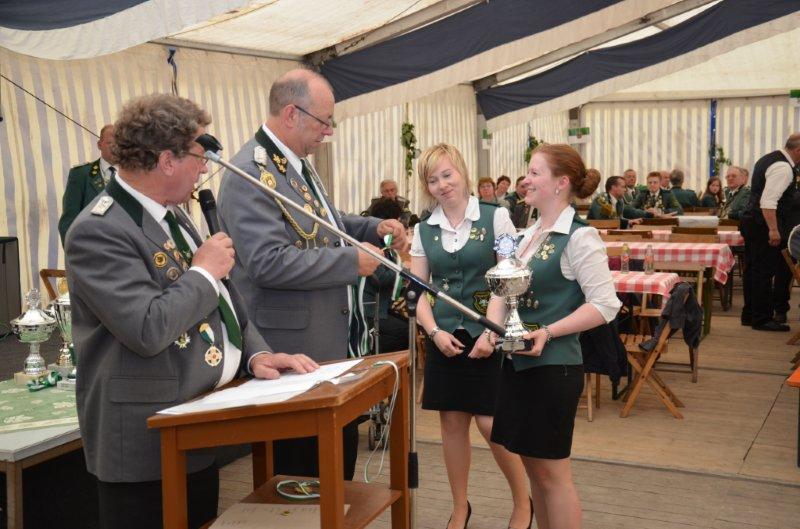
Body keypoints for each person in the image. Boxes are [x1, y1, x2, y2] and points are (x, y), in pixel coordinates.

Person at [65, 94, 319, 529]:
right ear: (167, 160)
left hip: (194, 426)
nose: (205, 169)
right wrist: (202, 272)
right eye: (200, 157)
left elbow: (224, 298)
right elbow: (147, 327)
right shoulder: (97, 229)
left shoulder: (173, 215)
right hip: (143, 443)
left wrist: (256, 354)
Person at [216, 68, 407, 480]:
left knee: (337, 475)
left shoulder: (295, 163)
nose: (329, 131)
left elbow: (327, 222)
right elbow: (267, 262)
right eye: (324, 121)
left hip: (326, 351)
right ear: (291, 114)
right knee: (302, 481)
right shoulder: (250, 174)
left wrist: (373, 227)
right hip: (292, 354)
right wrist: (350, 262)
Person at [487, 144, 620, 529]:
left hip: (554, 369)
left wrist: (547, 332)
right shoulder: (527, 235)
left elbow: (605, 305)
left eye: (534, 173)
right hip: (518, 366)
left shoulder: (579, 237)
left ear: (561, 183)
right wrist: (493, 329)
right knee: (535, 474)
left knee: (553, 477)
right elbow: (503, 292)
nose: (525, 180)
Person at [411, 144, 531, 529]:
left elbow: (507, 277)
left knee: (491, 424)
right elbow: (418, 291)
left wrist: (491, 333)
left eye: (447, 175)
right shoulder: (423, 229)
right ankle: (460, 506)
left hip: (488, 334)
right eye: (433, 180)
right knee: (451, 425)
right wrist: (433, 332)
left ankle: (523, 501)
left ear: (462, 172)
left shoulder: (497, 217)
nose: (442, 185)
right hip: (445, 337)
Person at [740, 133, 800, 331]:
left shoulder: (768, 158)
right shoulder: (783, 167)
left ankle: (750, 314)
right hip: (763, 224)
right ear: (798, 150)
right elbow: (768, 202)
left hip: (752, 220)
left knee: (752, 270)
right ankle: (762, 318)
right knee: (763, 272)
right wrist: (773, 230)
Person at [361, 197, 409, 353]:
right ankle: (373, 356)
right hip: (369, 309)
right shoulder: (373, 242)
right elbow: (380, 277)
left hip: (382, 305)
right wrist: (405, 273)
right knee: (404, 331)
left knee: (409, 324)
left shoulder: (381, 240)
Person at [58, 124, 117, 245]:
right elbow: (68, 221)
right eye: (110, 143)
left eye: (119, 144)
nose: (115, 147)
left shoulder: (134, 175)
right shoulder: (81, 174)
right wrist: (77, 251)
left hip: (125, 250)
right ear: (99, 145)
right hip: (91, 248)